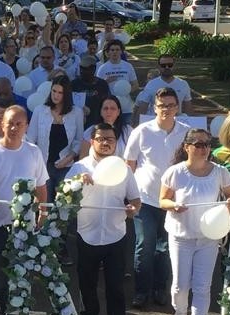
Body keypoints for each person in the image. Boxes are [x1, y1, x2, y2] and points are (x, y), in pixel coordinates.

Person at [0, 105, 49, 315]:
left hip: (25, 225)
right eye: (10, 124)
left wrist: (42, 212)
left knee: (23, 269)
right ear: (1, 124)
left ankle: (20, 305)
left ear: (26, 126)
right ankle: (2, 304)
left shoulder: (34, 152)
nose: (14, 128)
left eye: (19, 124)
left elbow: (41, 187)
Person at [124, 87, 191, 308]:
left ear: (177, 107)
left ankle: (159, 289)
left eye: (171, 105)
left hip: (173, 201)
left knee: (165, 247)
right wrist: (129, 196)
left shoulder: (186, 133)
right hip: (145, 199)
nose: (166, 109)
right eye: (162, 105)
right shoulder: (141, 132)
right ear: (154, 107)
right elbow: (129, 166)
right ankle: (141, 291)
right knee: (144, 246)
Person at [159, 128, 230, 315]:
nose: (204, 149)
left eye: (208, 145)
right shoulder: (174, 172)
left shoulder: (220, 172)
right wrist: (174, 205)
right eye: (199, 144)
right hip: (181, 238)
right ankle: (180, 311)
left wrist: (229, 204)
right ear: (187, 147)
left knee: (202, 286)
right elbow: (162, 201)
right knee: (180, 285)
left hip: (208, 238)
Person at [67, 123, 140, 315]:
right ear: (92, 141)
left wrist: (133, 209)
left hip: (115, 236)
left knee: (115, 287)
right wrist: (76, 182)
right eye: (101, 139)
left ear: (116, 142)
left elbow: (135, 199)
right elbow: (63, 196)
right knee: (87, 285)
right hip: (87, 235)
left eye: (110, 139)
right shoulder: (79, 167)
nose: (106, 143)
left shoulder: (124, 169)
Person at [26, 75, 83, 265]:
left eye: (61, 92)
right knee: (43, 206)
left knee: (63, 209)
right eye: (54, 91)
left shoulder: (76, 112)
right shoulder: (40, 111)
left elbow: (78, 141)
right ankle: (42, 247)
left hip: (65, 167)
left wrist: (68, 157)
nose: (57, 95)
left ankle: (61, 248)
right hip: (43, 166)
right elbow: (31, 139)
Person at [132, 54, 193, 126]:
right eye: (163, 65)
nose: (167, 67)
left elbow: (188, 108)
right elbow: (143, 107)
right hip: (155, 124)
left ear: (174, 66)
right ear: (159, 67)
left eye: (170, 65)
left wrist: (191, 123)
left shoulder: (183, 84)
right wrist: (137, 124)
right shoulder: (151, 84)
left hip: (176, 124)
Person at [71, 55, 110, 129]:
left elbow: (107, 104)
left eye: (86, 69)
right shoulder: (74, 84)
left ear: (94, 69)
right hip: (77, 124)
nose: (82, 71)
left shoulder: (102, 84)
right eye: (81, 68)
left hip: (98, 124)